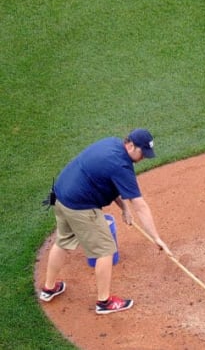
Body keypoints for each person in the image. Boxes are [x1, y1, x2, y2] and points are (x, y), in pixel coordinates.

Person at [38, 128, 172, 314]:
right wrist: (156, 238)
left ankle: (48, 288)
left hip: (61, 196)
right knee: (106, 250)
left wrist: (124, 209)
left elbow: (107, 180)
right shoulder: (122, 166)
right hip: (80, 205)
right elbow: (140, 206)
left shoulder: (111, 143)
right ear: (131, 145)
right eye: (143, 153)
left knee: (63, 241)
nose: (144, 158)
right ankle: (104, 303)